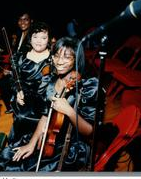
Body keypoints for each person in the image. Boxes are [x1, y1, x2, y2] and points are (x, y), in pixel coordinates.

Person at [0, 21, 52, 171]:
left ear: (49, 39)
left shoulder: (53, 59)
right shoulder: (20, 57)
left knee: (29, 125)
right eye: (35, 37)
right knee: (19, 124)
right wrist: (17, 91)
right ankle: (15, 148)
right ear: (30, 38)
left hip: (43, 105)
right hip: (23, 100)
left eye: (43, 38)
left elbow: (54, 86)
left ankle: (28, 156)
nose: (39, 41)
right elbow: (14, 79)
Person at [39, 36, 98, 171]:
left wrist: (69, 110)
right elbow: (45, 115)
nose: (59, 62)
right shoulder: (51, 79)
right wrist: (31, 143)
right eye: (56, 55)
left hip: (72, 148)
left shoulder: (88, 86)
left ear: (76, 59)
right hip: (51, 139)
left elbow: (90, 131)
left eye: (67, 57)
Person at [0, 11, 33, 114]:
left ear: (31, 21)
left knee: (5, 83)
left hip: (26, 71)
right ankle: (11, 106)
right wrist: (9, 69)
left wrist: (12, 72)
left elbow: (27, 58)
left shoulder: (32, 36)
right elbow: (16, 54)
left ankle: (19, 105)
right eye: (20, 19)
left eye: (25, 19)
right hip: (17, 69)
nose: (22, 22)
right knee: (2, 82)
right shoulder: (19, 35)